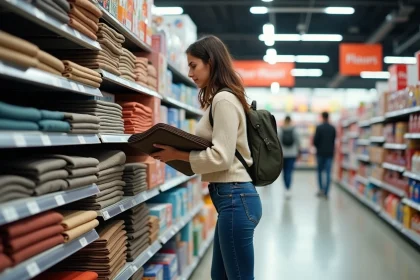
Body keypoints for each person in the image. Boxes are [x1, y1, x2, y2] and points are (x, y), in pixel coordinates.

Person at [150, 35, 262, 280]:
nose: (190, 73)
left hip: (235, 198)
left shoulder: (223, 99)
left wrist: (177, 154)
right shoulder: (223, 98)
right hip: (232, 200)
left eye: (193, 65)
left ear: (210, 62)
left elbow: (221, 157)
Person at [313, 111, 336, 198]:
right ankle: (326, 192)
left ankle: (321, 190)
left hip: (320, 153)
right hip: (330, 153)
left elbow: (315, 141)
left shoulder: (319, 128)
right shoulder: (332, 128)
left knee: (319, 171)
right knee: (328, 173)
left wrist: (318, 146)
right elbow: (334, 140)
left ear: (322, 117)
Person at [278, 115, 300, 198]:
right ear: (290, 121)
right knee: (289, 171)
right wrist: (298, 151)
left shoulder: (280, 130)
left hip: (283, 154)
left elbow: (277, 141)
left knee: (284, 172)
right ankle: (288, 188)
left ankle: (285, 188)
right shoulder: (295, 130)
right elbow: (298, 141)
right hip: (292, 154)